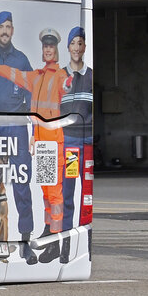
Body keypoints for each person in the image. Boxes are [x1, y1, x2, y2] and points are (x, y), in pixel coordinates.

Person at [0, 28, 72, 263]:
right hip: (40, 143)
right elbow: (14, 74)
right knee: (46, 193)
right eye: (45, 46)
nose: (48, 49)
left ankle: (58, 242)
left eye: (51, 46)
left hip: (53, 142)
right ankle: (49, 233)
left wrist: (71, 80)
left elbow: (68, 86)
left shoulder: (60, 76)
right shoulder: (36, 77)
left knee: (55, 194)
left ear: (56, 50)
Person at [0, 11, 36, 262]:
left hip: (17, 127)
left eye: (9, 26)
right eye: (1, 26)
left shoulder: (21, 60)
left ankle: (24, 239)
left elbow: (32, 93)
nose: (5, 31)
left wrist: (35, 128)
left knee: (22, 184)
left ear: (13, 30)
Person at [60, 26, 93, 230]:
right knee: (68, 191)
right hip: (70, 143)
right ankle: (66, 233)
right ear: (68, 47)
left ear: (85, 47)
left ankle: (85, 231)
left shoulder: (91, 76)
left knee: (87, 192)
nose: (76, 47)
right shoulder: (60, 77)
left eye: (80, 43)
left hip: (87, 142)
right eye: (73, 43)